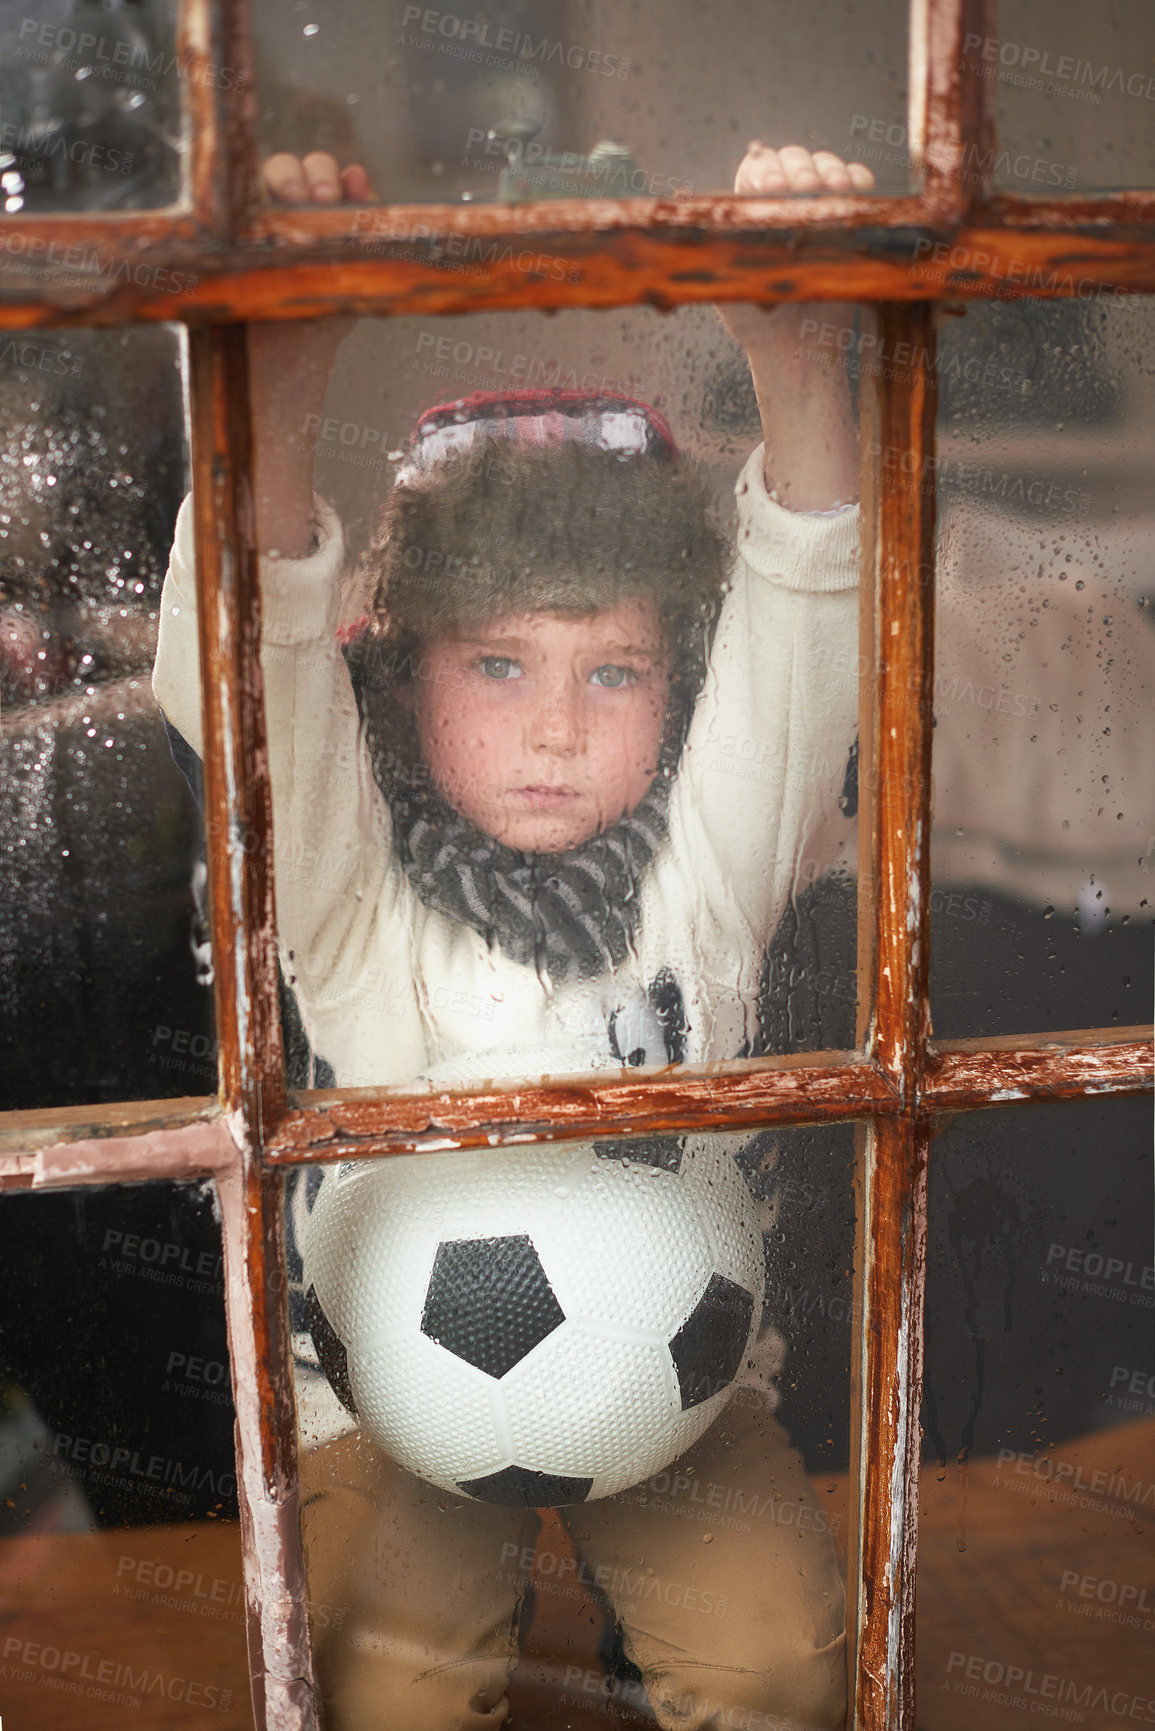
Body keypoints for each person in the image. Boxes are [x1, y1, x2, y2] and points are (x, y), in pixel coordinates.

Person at [153, 141, 871, 1729]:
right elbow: (251, 661)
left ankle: (642, 1626)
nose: (555, 728)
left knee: (783, 1674)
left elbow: (809, 619)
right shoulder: (350, 890)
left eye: (612, 673)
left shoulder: (705, 862)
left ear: (678, 695)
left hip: (682, 1396)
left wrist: (797, 349)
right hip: (392, 1405)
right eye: (497, 666)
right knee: (386, 1699)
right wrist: (285, 368)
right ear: (405, 678)